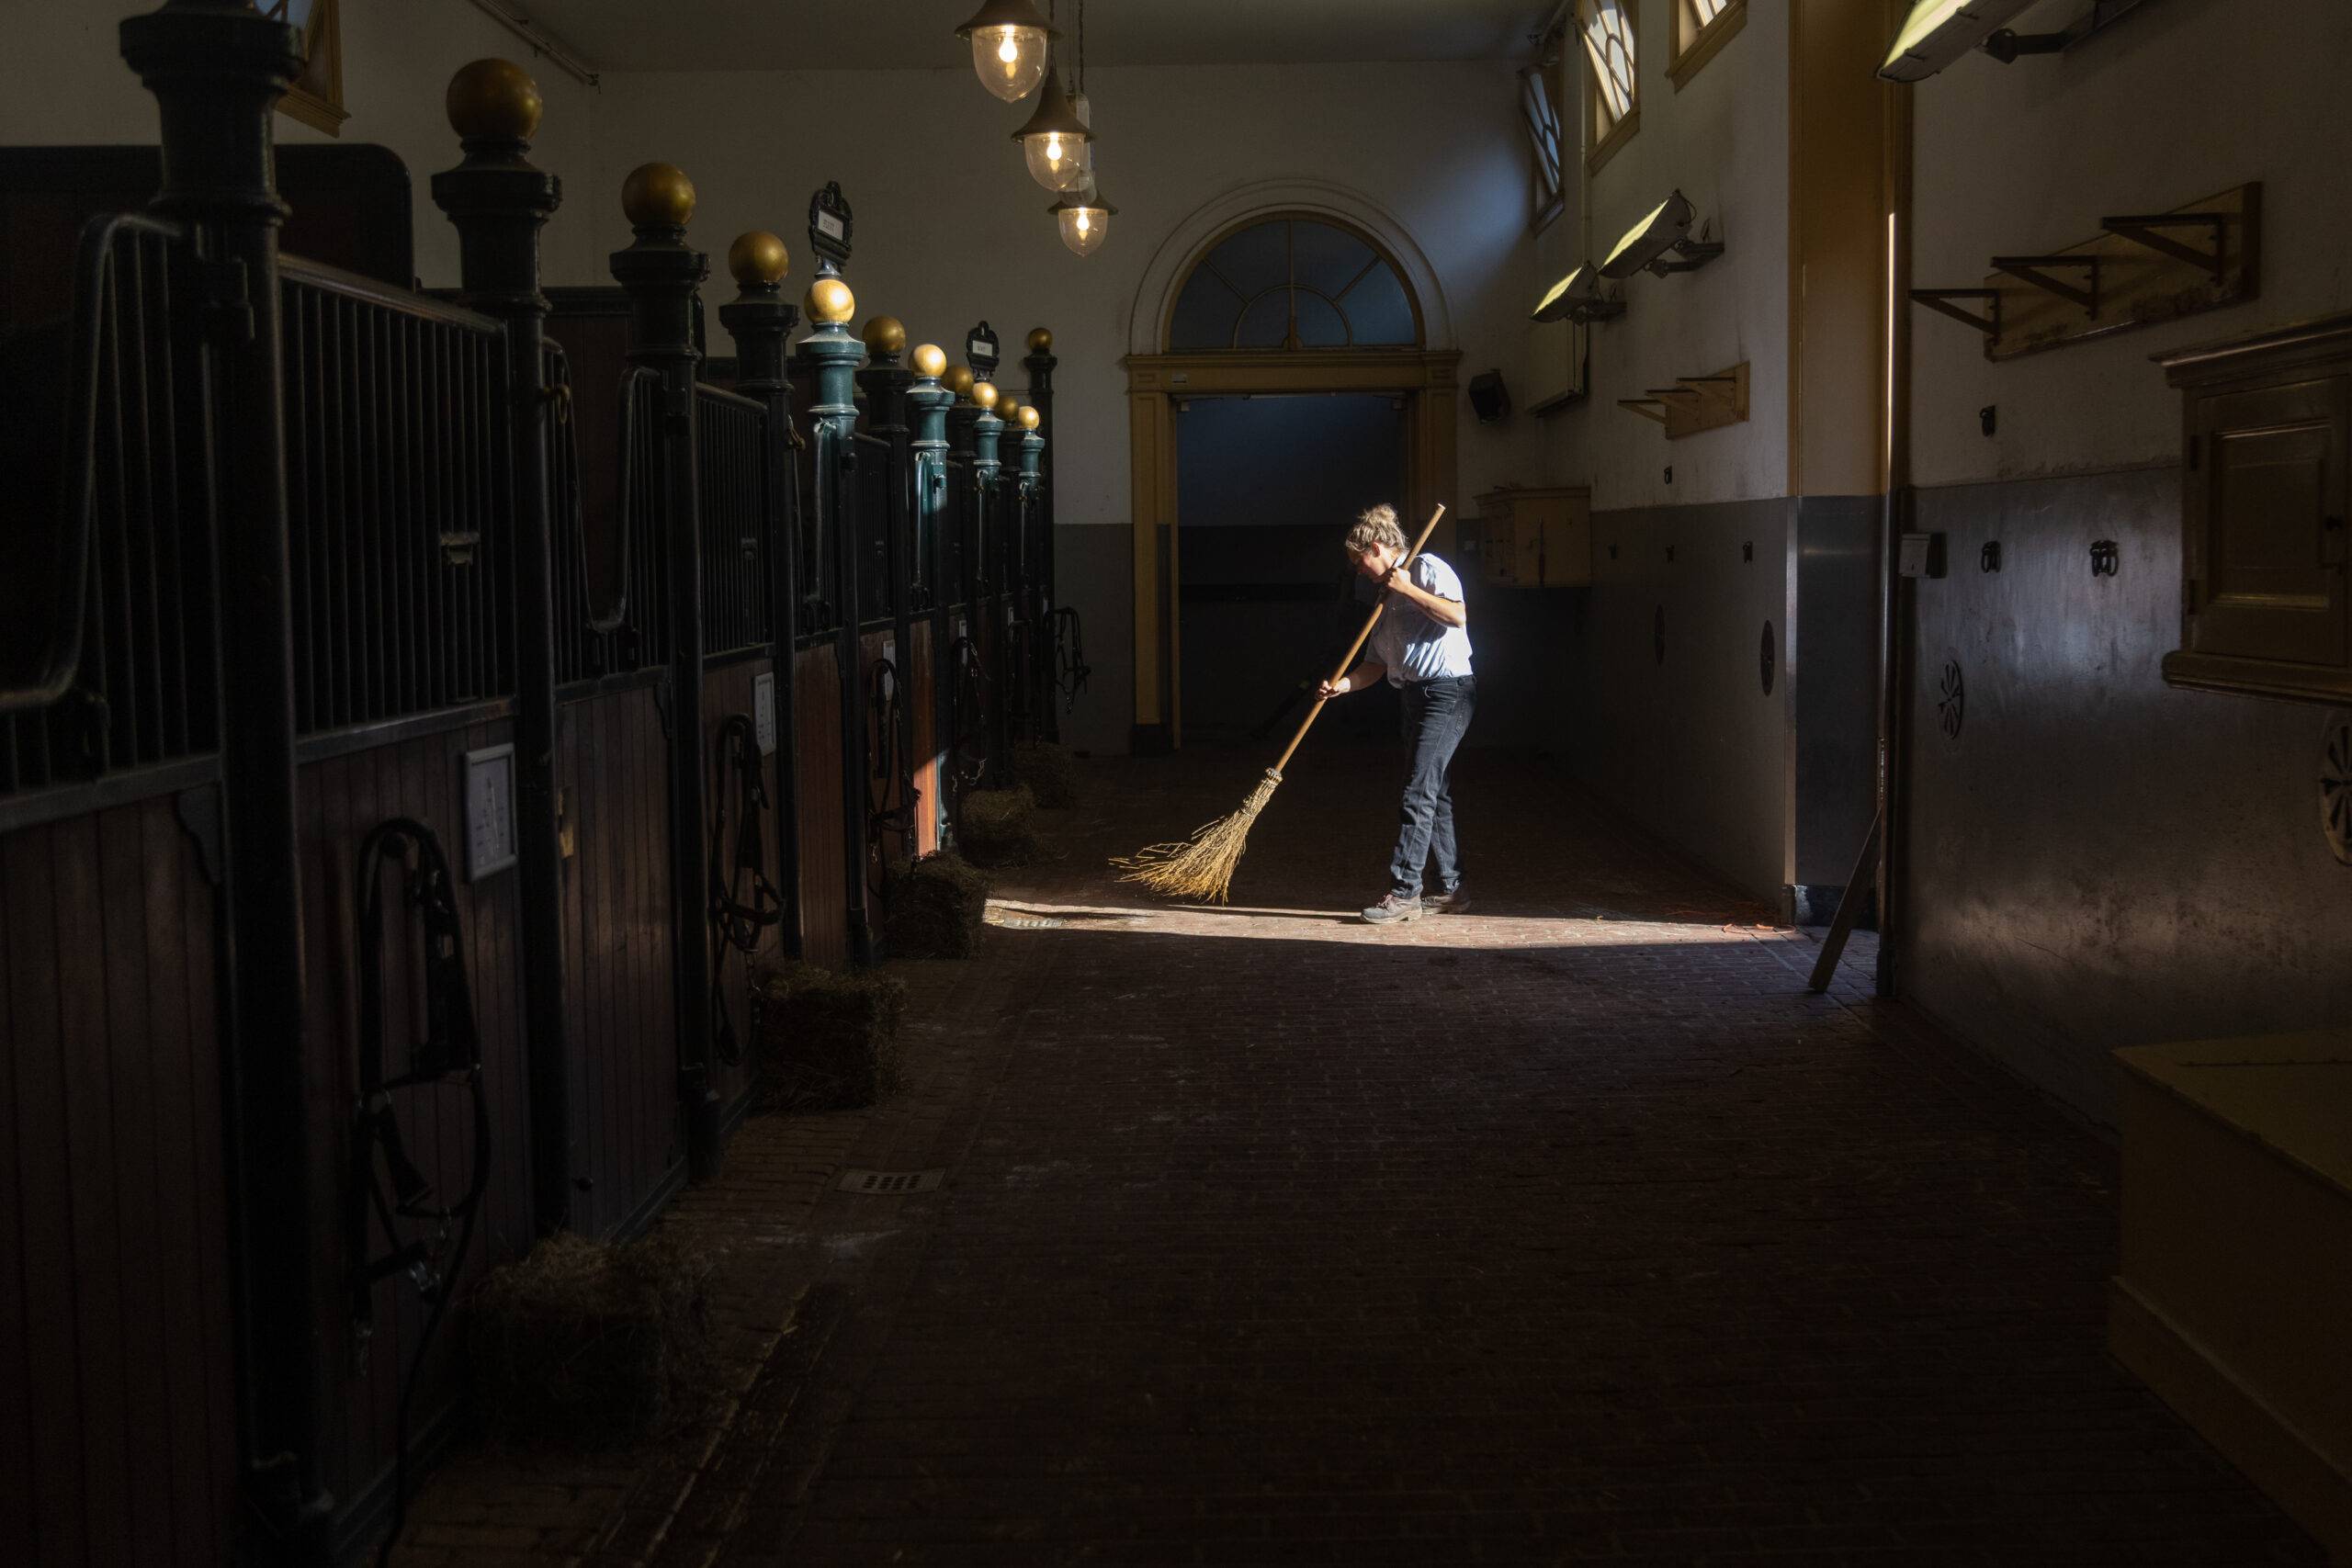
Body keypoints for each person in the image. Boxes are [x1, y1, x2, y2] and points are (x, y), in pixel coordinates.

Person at [1317, 503, 1476, 924]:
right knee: (1433, 792)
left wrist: (1408, 589)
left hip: (1447, 693)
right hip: (1413, 696)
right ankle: (1451, 889)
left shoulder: (1427, 568)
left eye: (1360, 561)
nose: (1358, 570)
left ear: (1376, 547)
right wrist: (1342, 686)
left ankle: (1405, 892)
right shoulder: (1382, 599)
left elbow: (1457, 615)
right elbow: (1375, 664)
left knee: (1417, 792)